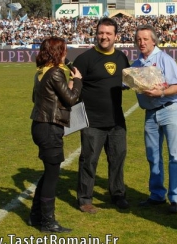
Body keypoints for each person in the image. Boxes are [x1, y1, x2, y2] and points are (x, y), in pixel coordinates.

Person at [72, 17, 130, 214]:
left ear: (116, 36)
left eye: (108, 33)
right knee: (89, 160)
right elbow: (74, 88)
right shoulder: (84, 59)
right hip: (92, 121)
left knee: (117, 158)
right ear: (96, 34)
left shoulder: (122, 57)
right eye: (101, 33)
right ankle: (85, 198)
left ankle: (118, 194)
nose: (104, 37)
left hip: (117, 121)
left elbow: (127, 82)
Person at [29, 36, 82, 232]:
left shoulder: (41, 72)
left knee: (48, 172)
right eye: (64, 50)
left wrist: (68, 84)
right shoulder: (56, 72)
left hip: (39, 125)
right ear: (58, 52)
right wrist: (77, 82)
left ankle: (36, 215)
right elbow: (71, 99)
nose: (66, 54)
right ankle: (48, 221)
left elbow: (39, 97)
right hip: (50, 127)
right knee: (52, 176)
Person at [132, 25, 177, 214]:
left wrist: (161, 92)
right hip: (150, 114)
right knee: (153, 156)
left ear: (153, 41)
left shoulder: (165, 59)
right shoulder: (136, 64)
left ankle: (176, 198)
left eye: (145, 39)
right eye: (138, 39)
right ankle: (156, 195)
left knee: (175, 156)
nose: (141, 42)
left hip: (169, 110)